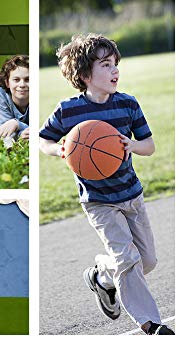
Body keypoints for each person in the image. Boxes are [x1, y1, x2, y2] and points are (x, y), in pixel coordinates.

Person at [39, 33, 174, 335]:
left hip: (131, 194)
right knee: (127, 259)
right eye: (106, 64)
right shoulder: (69, 110)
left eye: (116, 64)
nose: (115, 70)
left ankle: (102, 276)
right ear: (84, 74)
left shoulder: (127, 104)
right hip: (98, 200)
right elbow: (42, 139)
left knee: (146, 261)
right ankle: (151, 323)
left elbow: (149, 145)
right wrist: (58, 149)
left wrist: (131, 145)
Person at [0, 55, 29, 140]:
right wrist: (21, 133)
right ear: (7, 82)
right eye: (16, 80)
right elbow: (6, 133)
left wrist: (17, 124)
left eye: (27, 80)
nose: (22, 85)